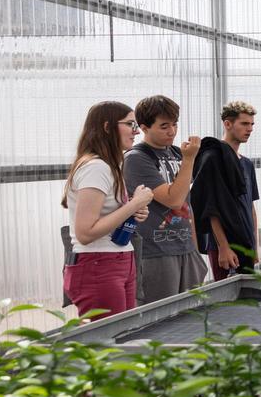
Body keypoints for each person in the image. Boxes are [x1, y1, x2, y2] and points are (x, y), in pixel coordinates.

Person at [62, 101, 154, 319]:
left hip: (117, 259)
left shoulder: (110, 165)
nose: (137, 131)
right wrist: (133, 204)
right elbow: (85, 233)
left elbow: (106, 217)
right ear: (106, 127)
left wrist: (134, 210)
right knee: (109, 345)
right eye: (130, 124)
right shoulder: (96, 167)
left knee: (123, 337)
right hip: (98, 264)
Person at [122, 95, 206, 304]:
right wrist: (189, 160)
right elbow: (173, 200)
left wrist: (194, 248)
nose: (172, 131)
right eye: (164, 126)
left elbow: (187, 204)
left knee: (191, 315)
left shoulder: (178, 154)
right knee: (159, 318)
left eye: (175, 124)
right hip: (155, 252)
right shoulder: (136, 158)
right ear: (144, 127)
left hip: (185, 248)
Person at [192, 101, 259, 281]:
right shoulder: (213, 157)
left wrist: (254, 245)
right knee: (227, 302)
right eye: (244, 124)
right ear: (228, 124)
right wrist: (223, 247)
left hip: (245, 241)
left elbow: (250, 207)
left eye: (252, 124)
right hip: (224, 244)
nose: (250, 129)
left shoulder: (247, 164)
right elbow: (210, 207)